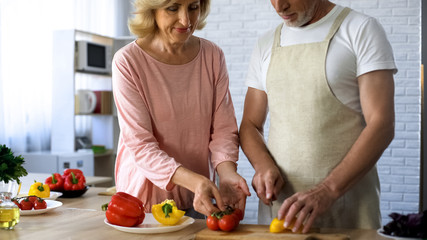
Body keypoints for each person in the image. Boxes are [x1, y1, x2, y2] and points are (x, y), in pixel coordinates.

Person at [240, 0, 397, 232]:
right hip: (282, 211)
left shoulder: (360, 29)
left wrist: (328, 190)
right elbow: (250, 125)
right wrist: (262, 165)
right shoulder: (266, 45)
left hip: (348, 210)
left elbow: (382, 124)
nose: (279, 7)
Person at [112, 0, 250, 219]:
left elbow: (223, 130)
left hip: (197, 196)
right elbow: (141, 145)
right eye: (173, 8)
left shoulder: (213, 56)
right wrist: (196, 181)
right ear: (152, 10)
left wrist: (226, 174)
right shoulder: (128, 62)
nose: (186, 20)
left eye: (193, 7)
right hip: (143, 202)